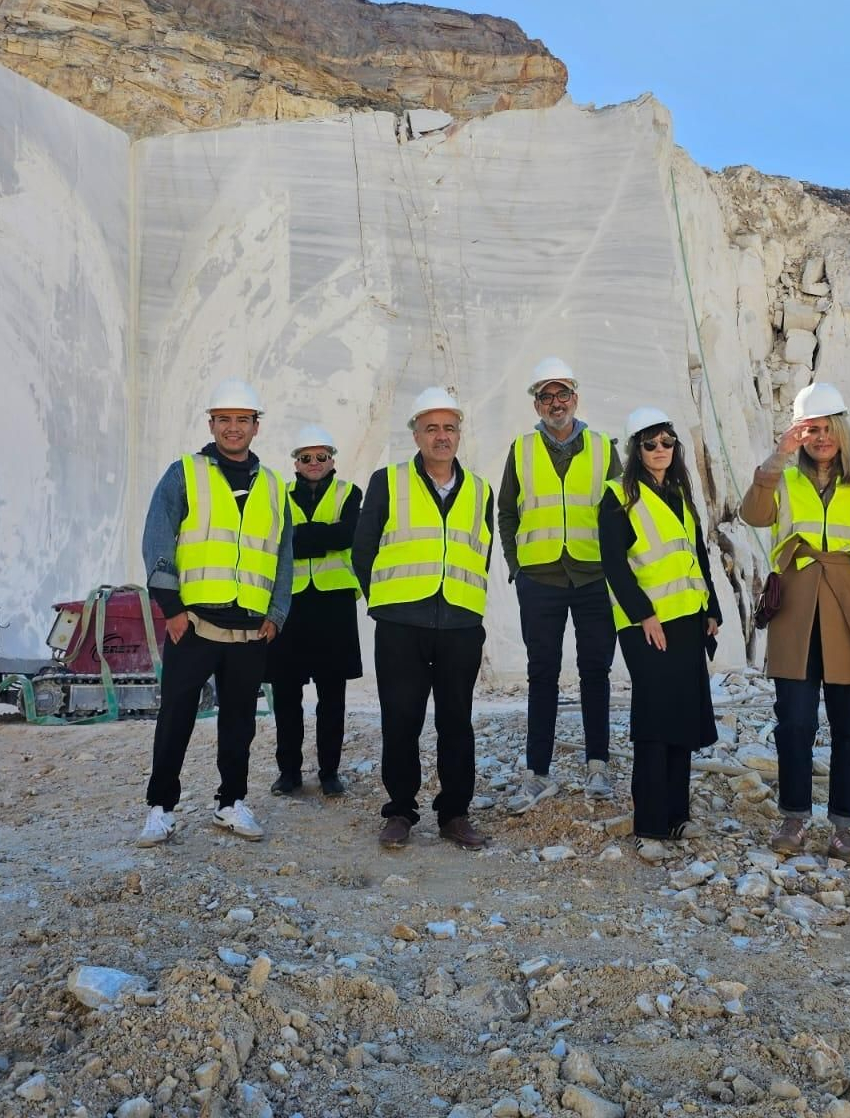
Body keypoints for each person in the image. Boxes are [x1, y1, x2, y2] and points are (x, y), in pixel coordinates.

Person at [741, 383, 850, 863]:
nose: (820, 437)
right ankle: (794, 817)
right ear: (798, 433)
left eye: (828, 426)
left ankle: (843, 828)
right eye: (810, 428)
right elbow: (752, 513)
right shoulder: (784, 479)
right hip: (795, 609)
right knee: (793, 722)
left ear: (843, 429)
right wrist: (777, 456)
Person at [136, 379, 293, 847]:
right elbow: (157, 540)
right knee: (177, 717)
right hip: (195, 624)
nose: (232, 428)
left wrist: (277, 613)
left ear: (255, 427)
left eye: (242, 420)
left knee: (239, 721)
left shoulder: (272, 484)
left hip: (248, 628)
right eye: (223, 420)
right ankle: (160, 809)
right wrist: (172, 608)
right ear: (211, 424)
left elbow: (283, 554)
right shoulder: (184, 473)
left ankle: (231, 802)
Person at [352, 386, 495, 851]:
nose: (441, 436)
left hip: (459, 624)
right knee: (401, 719)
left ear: (459, 435)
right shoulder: (387, 481)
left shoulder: (479, 489)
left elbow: (482, 552)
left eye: (449, 428)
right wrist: (388, 601)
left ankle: (455, 813)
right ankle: (399, 812)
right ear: (415, 434)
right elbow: (363, 549)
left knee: (457, 721)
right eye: (431, 428)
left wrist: (467, 602)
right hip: (401, 624)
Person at [497, 357, 623, 813]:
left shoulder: (604, 448)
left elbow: (621, 510)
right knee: (542, 674)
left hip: (593, 576)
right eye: (546, 397)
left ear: (575, 398)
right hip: (541, 578)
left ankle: (597, 766)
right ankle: (538, 772)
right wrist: (516, 567)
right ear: (537, 405)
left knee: (596, 672)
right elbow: (507, 512)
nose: (555, 403)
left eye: (562, 394)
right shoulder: (522, 449)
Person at [599, 407, 723, 864]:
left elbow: (696, 554)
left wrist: (712, 609)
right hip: (647, 625)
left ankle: (677, 815)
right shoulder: (618, 496)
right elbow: (613, 563)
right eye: (650, 444)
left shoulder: (679, 492)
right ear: (636, 449)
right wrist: (643, 615)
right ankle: (649, 823)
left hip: (688, 620)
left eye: (667, 442)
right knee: (654, 718)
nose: (659, 451)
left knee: (683, 716)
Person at [267, 424, 362, 798]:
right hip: (289, 603)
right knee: (286, 694)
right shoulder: (277, 496)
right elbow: (277, 539)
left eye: (321, 457)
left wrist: (300, 537)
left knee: (332, 696)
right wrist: (322, 534)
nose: (314, 463)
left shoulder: (348, 493)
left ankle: (329, 772)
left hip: (332, 604)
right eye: (306, 457)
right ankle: (288, 772)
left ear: (331, 459)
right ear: (296, 462)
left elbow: (347, 535)